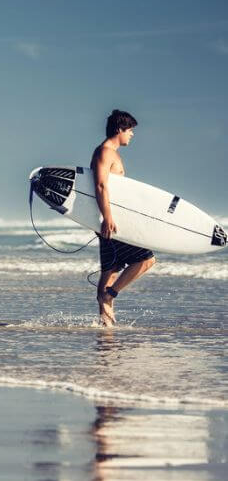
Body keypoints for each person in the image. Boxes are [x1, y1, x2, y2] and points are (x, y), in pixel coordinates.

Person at [91, 110, 156, 326]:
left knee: (111, 271)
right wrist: (107, 218)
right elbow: (101, 186)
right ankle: (111, 295)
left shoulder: (112, 153)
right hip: (113, 222)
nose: (132, 135)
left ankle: (106, 327)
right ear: (119, 129)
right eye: (130, 130)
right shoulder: (105, 152)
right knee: (147, 260)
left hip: (112, 220)